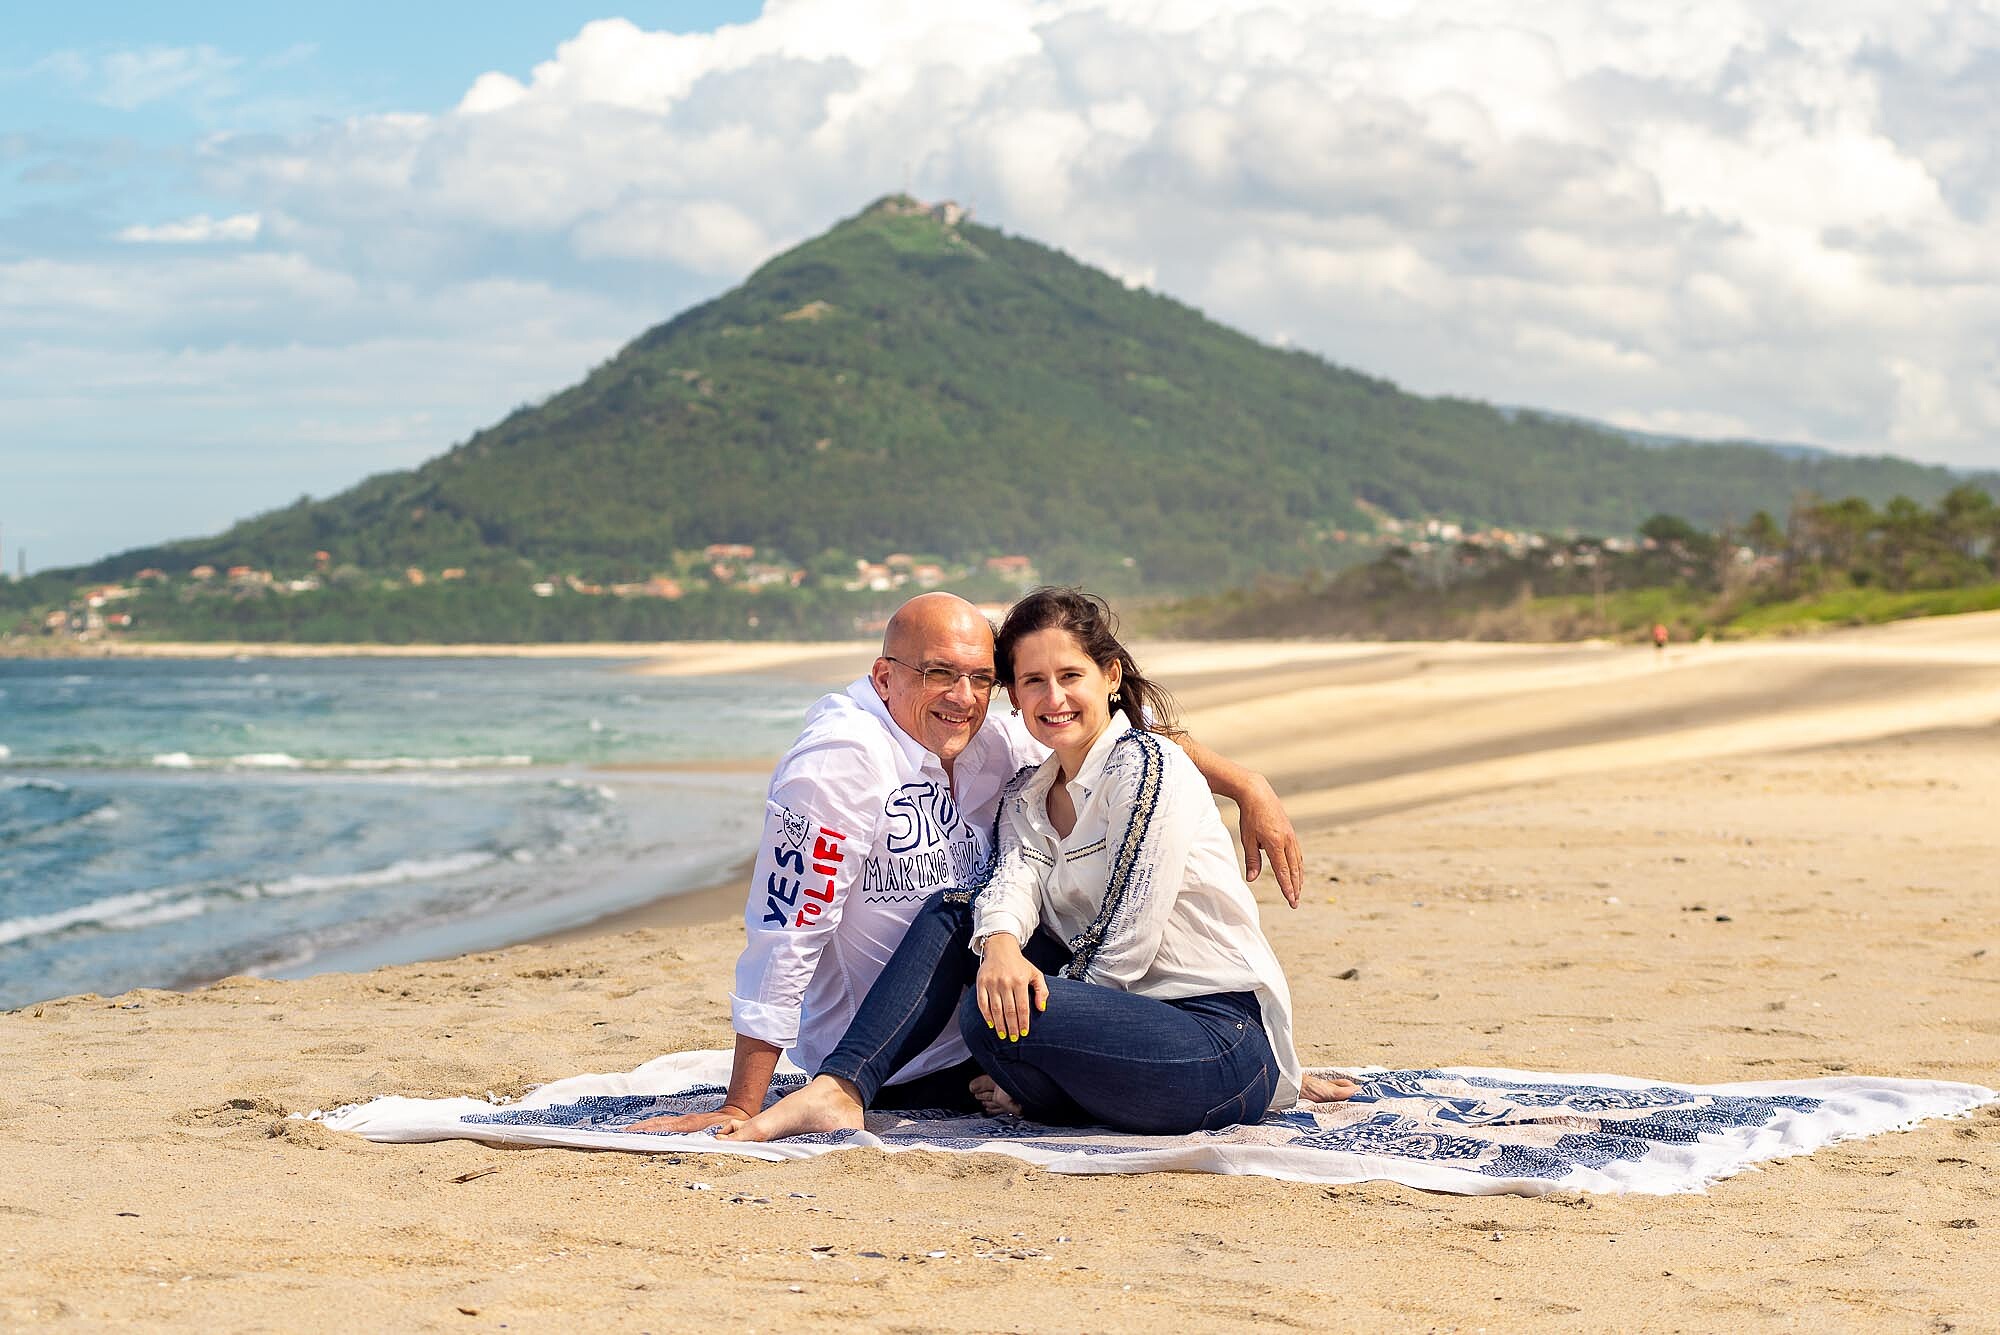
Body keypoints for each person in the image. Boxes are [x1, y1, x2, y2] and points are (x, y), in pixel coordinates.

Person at [626, 591, 1304, 1134]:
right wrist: (743, 1102)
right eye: (941, 673)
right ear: (884, 676)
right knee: (967, 921)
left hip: (1183, 1029)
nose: (964, 695)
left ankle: (998, 1065)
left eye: (981, 678)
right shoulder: (864, 766)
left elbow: (1123, 748)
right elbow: (787, 925)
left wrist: (1247, 782)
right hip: (941, 1053)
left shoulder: (1050, 753)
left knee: (1000, 1008)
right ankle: (842, 1086)